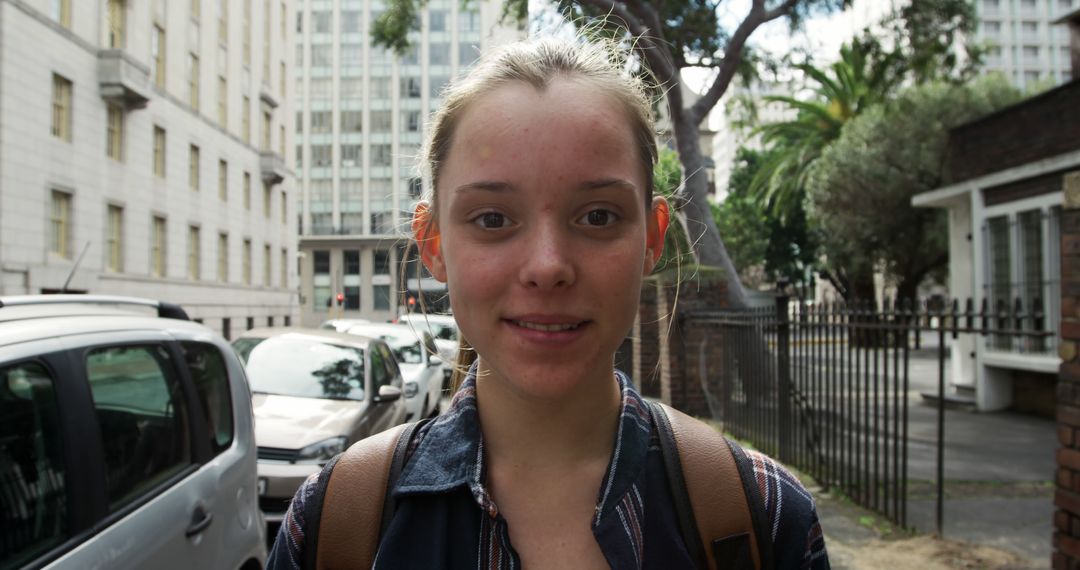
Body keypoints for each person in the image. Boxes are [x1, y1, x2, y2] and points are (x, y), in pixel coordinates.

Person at [267, 36, 829, 569]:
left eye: (599, 216)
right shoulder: (335, 522)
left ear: (653, 238)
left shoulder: (762, 516)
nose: (547, 266)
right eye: (492, 219)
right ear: (433, 244)